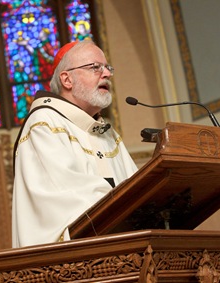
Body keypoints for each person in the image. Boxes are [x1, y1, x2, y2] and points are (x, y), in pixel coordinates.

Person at [12, 40, 138, 248]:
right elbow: (61, 196)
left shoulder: (108, 134)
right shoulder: (44, 124)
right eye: (95, 67)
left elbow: (138, 189)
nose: (106, 74)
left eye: (107, 68)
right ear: (67, 79)